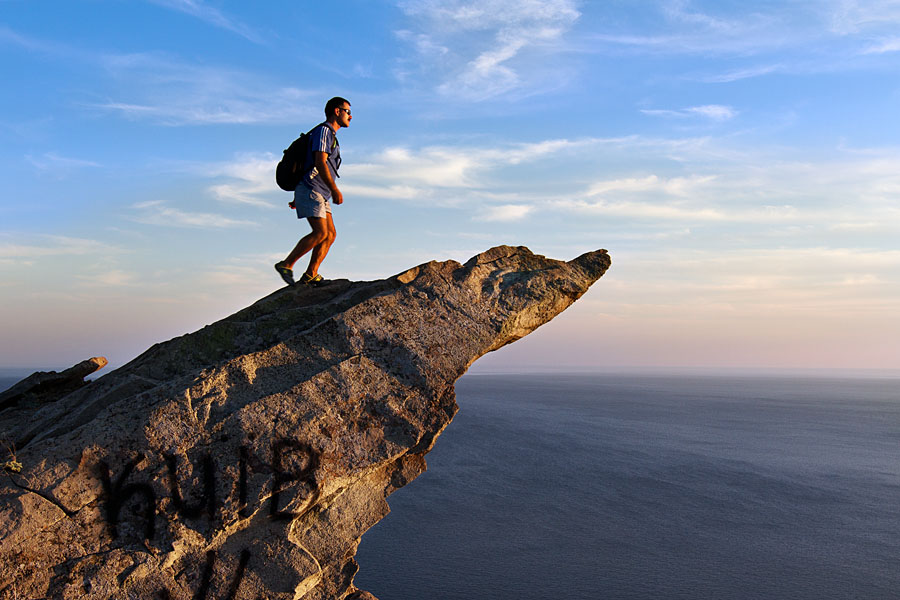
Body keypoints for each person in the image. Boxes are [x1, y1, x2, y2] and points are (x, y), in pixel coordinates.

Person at [274, 97, 352, 286]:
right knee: (320, 232)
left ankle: (311, 274)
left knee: (330, 234)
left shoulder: (331, 135)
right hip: (313, 189)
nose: (350, 116)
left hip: (318, 192)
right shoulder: (324, 131)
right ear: (337, 111)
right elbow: (319, 162)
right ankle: (286, 264)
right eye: (348, 112)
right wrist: (334, 189)